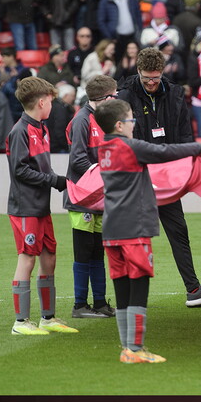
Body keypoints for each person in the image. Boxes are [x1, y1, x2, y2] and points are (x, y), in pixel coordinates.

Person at [93, 98, 201, 363]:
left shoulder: (104, 148)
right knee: (138, 284)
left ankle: (127, 348)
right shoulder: (130, 147)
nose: (135, 125)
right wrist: (198, 147)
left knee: (122, 287)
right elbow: (165, 151)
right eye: (132, 120)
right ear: (120, 125)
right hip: (134, 226)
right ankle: (136, 349)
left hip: (112, 228)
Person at [116, 47, 201, 307]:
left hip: (166, 176)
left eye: (156, 78)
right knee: (132, 237)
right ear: (138, 72)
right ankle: (122, 300)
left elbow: (184, 135)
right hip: (135, 176)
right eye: (147, 78)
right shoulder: (124, 96)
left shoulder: (175, 94)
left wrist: (184, 169)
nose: (152, 83)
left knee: (178, 231)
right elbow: (117, 137)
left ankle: (193, 290)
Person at [6, 76, 77, 336]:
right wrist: (55, 180)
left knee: (49, 257)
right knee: (27, 259)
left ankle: (47, 318)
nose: (53, 106)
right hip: (25, 207)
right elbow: (20, 170)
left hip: (40, 207)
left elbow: (39, 168)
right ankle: (20, 322)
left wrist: (57, 179)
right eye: (50, 101)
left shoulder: (42, 129)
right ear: (41, 102)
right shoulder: (20, 131)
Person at [64, 75, 120, 319]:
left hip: (97, 196)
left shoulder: (102, 119)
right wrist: (102, 178)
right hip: (83, 197)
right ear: (105, 98)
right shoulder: (82, 120)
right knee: (84, 251)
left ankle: (98, 302)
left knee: (98, 251)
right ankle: (79, 305)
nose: (117, 99)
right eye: (114, 96)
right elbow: (77, 160)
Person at [47, 83, 76, 154]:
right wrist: (66, 146)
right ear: (66, 95)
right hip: (59, 148)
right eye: (72, 96)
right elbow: (59, 130)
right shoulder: (60, 109)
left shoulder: (55, 105)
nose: (73, 98)